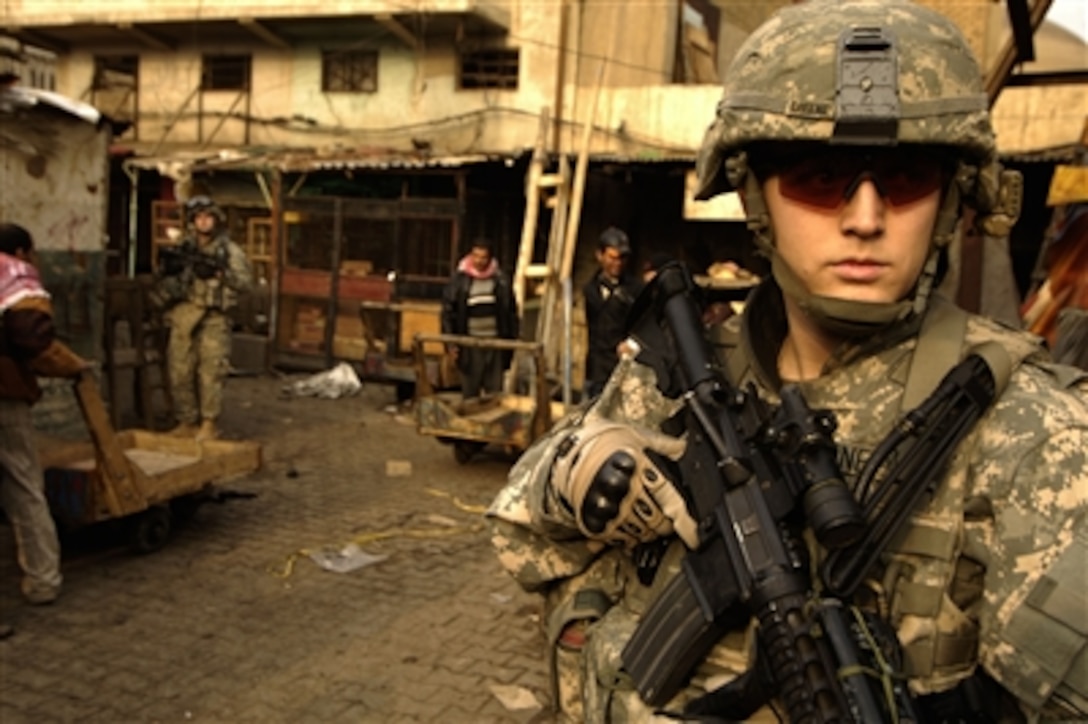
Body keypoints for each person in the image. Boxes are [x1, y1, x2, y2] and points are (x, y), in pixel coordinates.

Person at [486, 1, 1088, 722]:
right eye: (819, 176)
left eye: (904, 180)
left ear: (953, 197)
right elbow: (518, 543)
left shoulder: (1038, 438)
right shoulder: (681, 374)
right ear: (755, 196)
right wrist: (570, 474)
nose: (865, 218)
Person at [0, 223, 91, 618]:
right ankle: (42, 580)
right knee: (24, 483)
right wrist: (74, 366)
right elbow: (34, 341)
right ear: (21, 251)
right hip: (3, 394)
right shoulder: (17, 279)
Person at [155, 195, 253, 440]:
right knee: (179, 370)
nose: (203, 222)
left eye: (208, 217)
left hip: (213, 317)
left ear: (216, 220)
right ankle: (186, 421)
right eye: (198, 217)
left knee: (211, 372)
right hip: (184, 314)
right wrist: (170, 271)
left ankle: (209, 422)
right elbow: (165, 279)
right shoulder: (184, 248)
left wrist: (220, 273)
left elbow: (245, 283)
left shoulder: (229, 251)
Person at [440, 239, 519, 399]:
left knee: (495, 393)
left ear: (489, 258)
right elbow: (448, 313)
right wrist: (450, 344)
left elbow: (510, 312)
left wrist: (512, 340)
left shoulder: (500, 281)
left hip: (495, 344)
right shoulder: (460, 281)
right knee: (470, 393)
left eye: (483, 257)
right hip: (470, 345)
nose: (479, 261)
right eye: (476, 256)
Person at [582, 227, 642, 399]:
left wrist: (632, 343)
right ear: (600, 256)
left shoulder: (636, 290)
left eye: (622, 258)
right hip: (597, 370)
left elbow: (646, 324)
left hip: (626, 368)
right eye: (612, 258)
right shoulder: (591, 289)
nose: (617, 263)